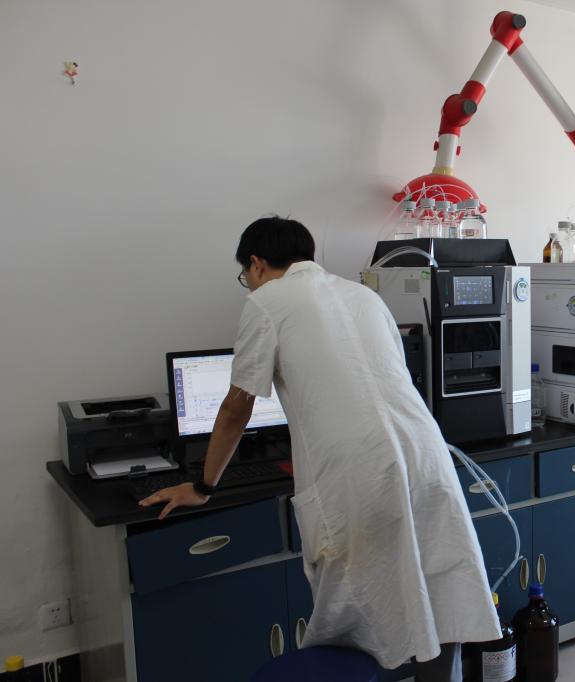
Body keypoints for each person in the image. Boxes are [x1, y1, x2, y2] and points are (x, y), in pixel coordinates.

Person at [140, 216, 500, 680]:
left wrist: (203, 486)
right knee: (441, 592)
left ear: (256, 263)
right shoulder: (364, 296)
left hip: (359, 475)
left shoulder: (266, 301)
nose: (249, 284)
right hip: (427, 456)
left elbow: (235, 407)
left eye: (246, 275)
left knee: (351, 617)